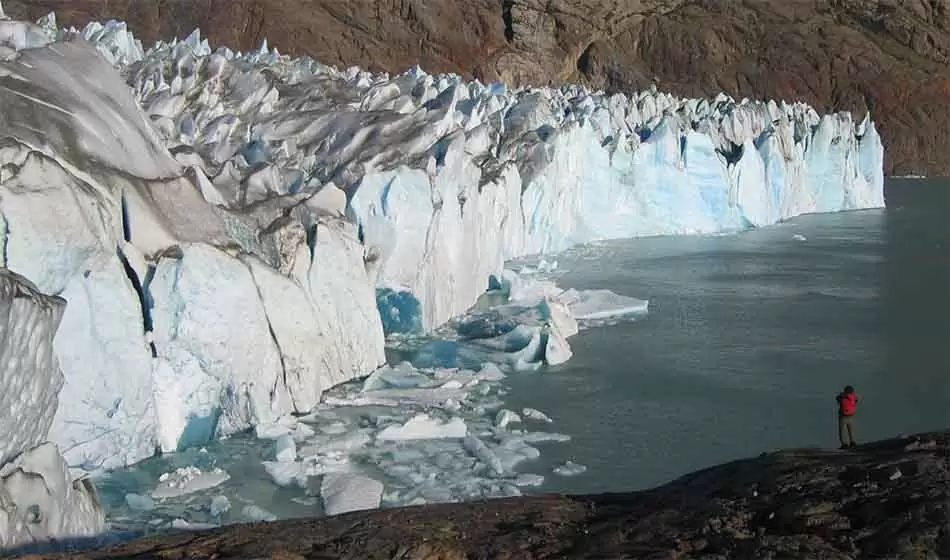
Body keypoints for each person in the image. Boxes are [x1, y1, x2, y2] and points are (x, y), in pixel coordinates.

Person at [836, 385, 858, 449]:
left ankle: (844, 443)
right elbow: (856, 401)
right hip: (851, 416)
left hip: (843, 416)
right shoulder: (854, 397)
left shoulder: (841, 397)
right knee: (851, 430)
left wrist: (841, 395)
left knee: (842, 430)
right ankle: (852, 441)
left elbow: (837, 399)